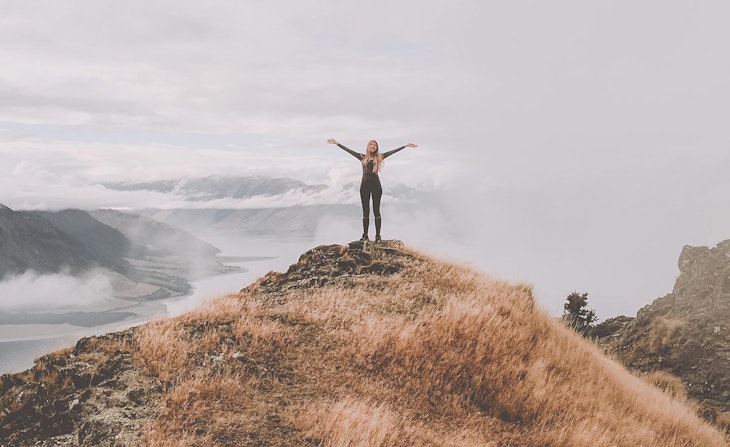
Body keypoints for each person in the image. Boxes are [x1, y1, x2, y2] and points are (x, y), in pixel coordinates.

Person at [327, 138, 417, 242]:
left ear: (376, 147)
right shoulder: (362, 157)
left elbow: (392, 152)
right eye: (371, 144)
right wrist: (337, 143)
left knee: (376, 211)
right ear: (368, 147)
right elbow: (349, 151)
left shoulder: (380, 157)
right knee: (365, 212)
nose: (373, 146)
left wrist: (405, 146)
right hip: (364, 187)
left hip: (376, 187)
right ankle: (365, 235)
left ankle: (378, 236)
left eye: (375, 145)